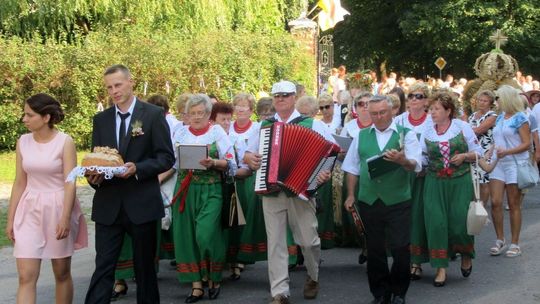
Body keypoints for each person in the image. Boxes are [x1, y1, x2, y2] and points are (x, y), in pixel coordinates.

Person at [85, 64, 175, 304]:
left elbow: (166, 158)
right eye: (109, 87)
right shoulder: (101, 119)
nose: (113, 91)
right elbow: (99, 157)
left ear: (130, 82)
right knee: (103, 266)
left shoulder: (153, 115)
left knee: (144, 269)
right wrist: (94, 178)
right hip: (108, 204)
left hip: (141, 202)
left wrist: (138, 169)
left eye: (117, 85)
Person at [244, 80, 333, 304]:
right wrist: (250, 159)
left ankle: (313, 276)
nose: (280, 99)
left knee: (309, 241)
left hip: (301, 190)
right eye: (277, 96)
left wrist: (323, 173)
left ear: (294, 97)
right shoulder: (263, 126)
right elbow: (247, 153)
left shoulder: (312, 124)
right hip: (271, 190)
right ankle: (280, 293)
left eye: (285, 95)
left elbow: (330, 152)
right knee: (275, 243)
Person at [5, 93, 88, 304]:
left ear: (46, 117)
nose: (24, 119)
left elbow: (70, 181)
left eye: (29, 115)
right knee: (26, 276)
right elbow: (20, 182)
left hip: (58, 207)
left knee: (61, 273)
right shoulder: (22, 142)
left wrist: (65, 217)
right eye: (24, 114)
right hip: (29, 209)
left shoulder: (65, 142)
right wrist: (11, 219)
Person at [342, 95, 421, 304]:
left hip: (397, 200)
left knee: (400, 247)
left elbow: (416, 165)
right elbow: (351, 167)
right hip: (369, 200)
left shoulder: (406, 134)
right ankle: (380, 293)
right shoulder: (361, 135)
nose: (378, 117)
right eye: (374, 113)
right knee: (375, 250)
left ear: (392, 111)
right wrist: (350, 194)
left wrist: (402, 160)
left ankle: (399, 291)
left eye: (382, 112)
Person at [172, 94, 236, 303]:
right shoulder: (180, 133)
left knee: (205, 234)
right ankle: (196, 285)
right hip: (185, 190)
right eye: (193, 113)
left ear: (209, 114)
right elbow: (171, 163)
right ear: (187, 115)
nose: (197, 117)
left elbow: (230, 162)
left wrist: (214, 163)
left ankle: (214, 277)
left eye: (201, 113)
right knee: (187, 237)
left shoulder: (217, 132)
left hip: (211, 189)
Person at [420, 91, 482, 287]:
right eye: (431, 109)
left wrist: (464, 156)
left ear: (448, 111)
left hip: (459, 181)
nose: (432, 113)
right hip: (434, 182)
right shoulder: (427, 131)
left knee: (459, 222)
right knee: (436, 223)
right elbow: (422, 157)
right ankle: (440, 267)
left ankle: (465, 254)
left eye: (436, 109)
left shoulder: (462, 127)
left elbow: (478, 152)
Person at [394, 83, 432, 280]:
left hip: (423, 175)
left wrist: (424, 166)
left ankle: (416, 261)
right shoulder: (399, 120)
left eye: (419, 96)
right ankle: (401, 260)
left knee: (417, 217)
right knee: (400, 217)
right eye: (411, 96)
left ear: (426, 101)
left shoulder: (432, 121)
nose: (414, 99)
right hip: (402, 174)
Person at [489, 85, 531, 258]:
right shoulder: (499, 118)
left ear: (505, 98)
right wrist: (490, 151)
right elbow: (496, 140)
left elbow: (526, 143)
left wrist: (507, 152)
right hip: (498, 163)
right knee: (496, 202)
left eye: (497, 98)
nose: (495, 101)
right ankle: (500, 239)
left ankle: (515, 242)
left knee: (513, 204)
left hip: (515, 163)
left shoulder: (520, 117)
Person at [468, 90, 497, 205]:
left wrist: (465, 132)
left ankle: (482, 207)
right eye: (480, 100)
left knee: (483, 181)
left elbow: (480, 130)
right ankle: (474, 206)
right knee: (473, 180)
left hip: (485, 151)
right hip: (472, 151)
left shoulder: (492, 116)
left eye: (485, 101)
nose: (482, 103)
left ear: (490, 103)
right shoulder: (472, 115)